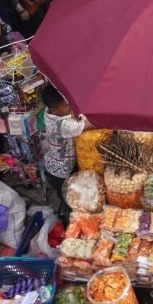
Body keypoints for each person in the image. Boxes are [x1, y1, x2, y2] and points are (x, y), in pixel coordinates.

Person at [41, 84, 91, 215]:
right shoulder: (61, 125)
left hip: (54, 164)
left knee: (69, 198)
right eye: (66, 105)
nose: (70, 106)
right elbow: (89, 125)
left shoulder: (49, 112)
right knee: (69, 201)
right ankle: (64, 221)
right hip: (59, 174)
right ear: (54, 110)